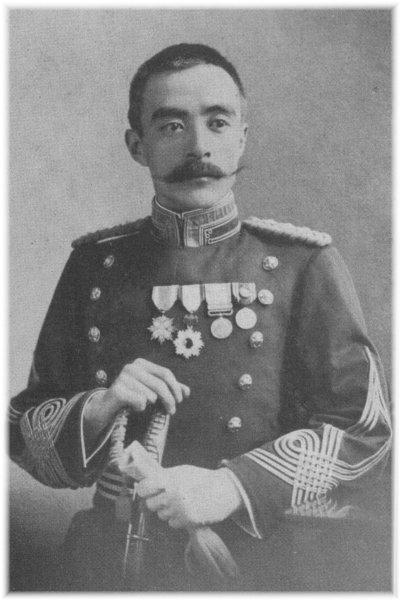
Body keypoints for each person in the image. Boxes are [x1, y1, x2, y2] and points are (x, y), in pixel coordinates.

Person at [9, 43, 391, 592]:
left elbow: (364, 431)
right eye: (172, 126)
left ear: (242, 137)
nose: (198, 146)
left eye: (217, 122)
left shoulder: (301, 264)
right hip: (111, 560)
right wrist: (99, 408)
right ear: (137, 146)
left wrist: (231, 488)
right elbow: (24, 431)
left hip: (257, 561)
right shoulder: (94, 264)